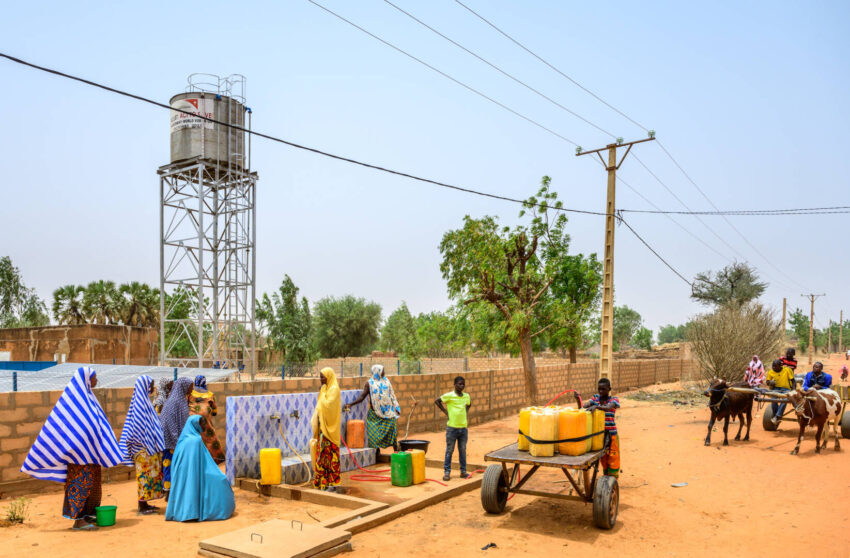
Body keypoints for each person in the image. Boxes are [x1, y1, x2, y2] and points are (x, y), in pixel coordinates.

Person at [20, 367, 123, 531]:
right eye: (94, 377)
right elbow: (69, 429)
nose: (97, 381)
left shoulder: (90, 399)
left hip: (91, 456)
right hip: (78, 458)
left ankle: (88, 514)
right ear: (86, 379)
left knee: (93, 487)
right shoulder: (72, 401)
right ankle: (78, 520)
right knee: (80, 487)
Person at [165, 415, 235, 522]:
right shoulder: (196, 440)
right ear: (195, 425)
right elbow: (206, 461)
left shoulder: (182, 440)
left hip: (181, 477)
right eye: (201, 424)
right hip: (197, 473)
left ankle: (188, 512)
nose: (203, 427)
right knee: (221, 480)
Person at [118, 375, 165, 515]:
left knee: (149, 477)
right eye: (150, 385)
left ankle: (145, 503)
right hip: (143, 450)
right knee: (144, 477)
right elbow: (137, 429)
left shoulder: (145, 402)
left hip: (148, 450)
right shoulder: (140, 405)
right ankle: (141, 506)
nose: (152, 387)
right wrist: (145, 445)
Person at [344, 365, 401, 455]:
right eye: (382, 371)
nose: (384, 372)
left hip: (388, 413)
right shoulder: (369, 383)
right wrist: (351, 404)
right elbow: (362, 397)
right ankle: (377, 452)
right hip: (375, 414)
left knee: (392, 433)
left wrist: (396, 407)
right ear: (377, 371)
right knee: (374, 435)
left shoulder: (386, 381)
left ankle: (396, 452)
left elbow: (392, 395)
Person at [159, 376, 194, 500]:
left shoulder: (180, 400)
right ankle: (168, 493)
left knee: (176, 465)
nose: (192, 389)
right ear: (184, 386)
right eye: (190, 386)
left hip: (177, 440)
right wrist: (176, 440)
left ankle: (174, 491)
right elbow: (169, 422)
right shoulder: (174, 402)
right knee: (169, 465)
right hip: (171, 441)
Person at [580, 378, 621, 477]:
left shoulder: (614, 400)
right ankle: (606, 478)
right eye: (599, 389)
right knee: (603, 458)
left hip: (611, 434)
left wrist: (597, 407)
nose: (601, 391)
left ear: (609, 389)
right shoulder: (595, 398)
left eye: (603, 389)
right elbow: (584, 406)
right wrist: (579, 400)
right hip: (599, 435)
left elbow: (608, 407)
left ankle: (613, 479)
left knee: (613, 457)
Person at [435, 376, 471, 482]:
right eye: (460, 384)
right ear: (454, 385)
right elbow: (437, 401)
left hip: (463, 428)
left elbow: (469, 404)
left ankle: (463, 471)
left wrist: (465, 412)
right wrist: (446, 412)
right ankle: (447, 472)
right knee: (449, 450)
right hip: (452, 429)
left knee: (463, 450)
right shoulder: (449, 396)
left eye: (463, 384)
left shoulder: (466, 396)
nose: (462, 386)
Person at [312, 367, 342, 491]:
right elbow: (320, 407)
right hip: (323, 429)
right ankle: (322, 483)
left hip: (330, 431)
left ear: (329, 377)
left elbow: (328, 406)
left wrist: (323, 393)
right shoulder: (325, 389)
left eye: (322, 377)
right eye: (320, 376)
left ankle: (332, 483)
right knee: (322, 456)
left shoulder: (334, 389)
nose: (321, 379)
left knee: (331, 457)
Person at [188, 375, 225, 463]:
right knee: (211, 441)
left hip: (192, 424)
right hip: (206, 424)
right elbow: (215, 412)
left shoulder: (190, 395)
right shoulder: (210, 395)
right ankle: (213, 461)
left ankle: (196, 462)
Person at [765, 358, 795, 425]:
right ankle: (777, 416)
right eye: (773, 366)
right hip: (776, 389)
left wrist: (793, 390)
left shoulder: (787, 370)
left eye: (775, 366)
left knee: (784, 400)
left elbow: (793, 381)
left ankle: (777, 416)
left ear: (780, 366)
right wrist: (770, 382)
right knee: (773, 400)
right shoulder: (771, 372)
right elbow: (767, 382)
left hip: (786, 389)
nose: (773, 367)